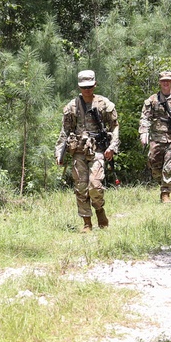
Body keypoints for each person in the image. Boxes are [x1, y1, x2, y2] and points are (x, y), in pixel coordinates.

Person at [55, 70, 119, 232]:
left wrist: (112, 147)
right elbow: (65, 130)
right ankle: (86, 223)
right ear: (79, 87)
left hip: (98, 149)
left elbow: (115, 126)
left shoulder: (104, 104)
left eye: (90, 86)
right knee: (81, 186)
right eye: (84, 87)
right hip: (78, 150)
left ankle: (99, 210)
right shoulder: (72, 107)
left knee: (95, 185)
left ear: (95, 85)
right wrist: (59, 152)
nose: (87, 90)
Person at [139, 71, 171, 203]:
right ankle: (162, 183)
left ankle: (165, 192)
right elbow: (145, 117)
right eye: (163, 80)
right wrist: (143, 133)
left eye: (168, 80)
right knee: (154, 163)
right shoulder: (152, 100)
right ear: (159, 82)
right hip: (157, 137)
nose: (165, 83)